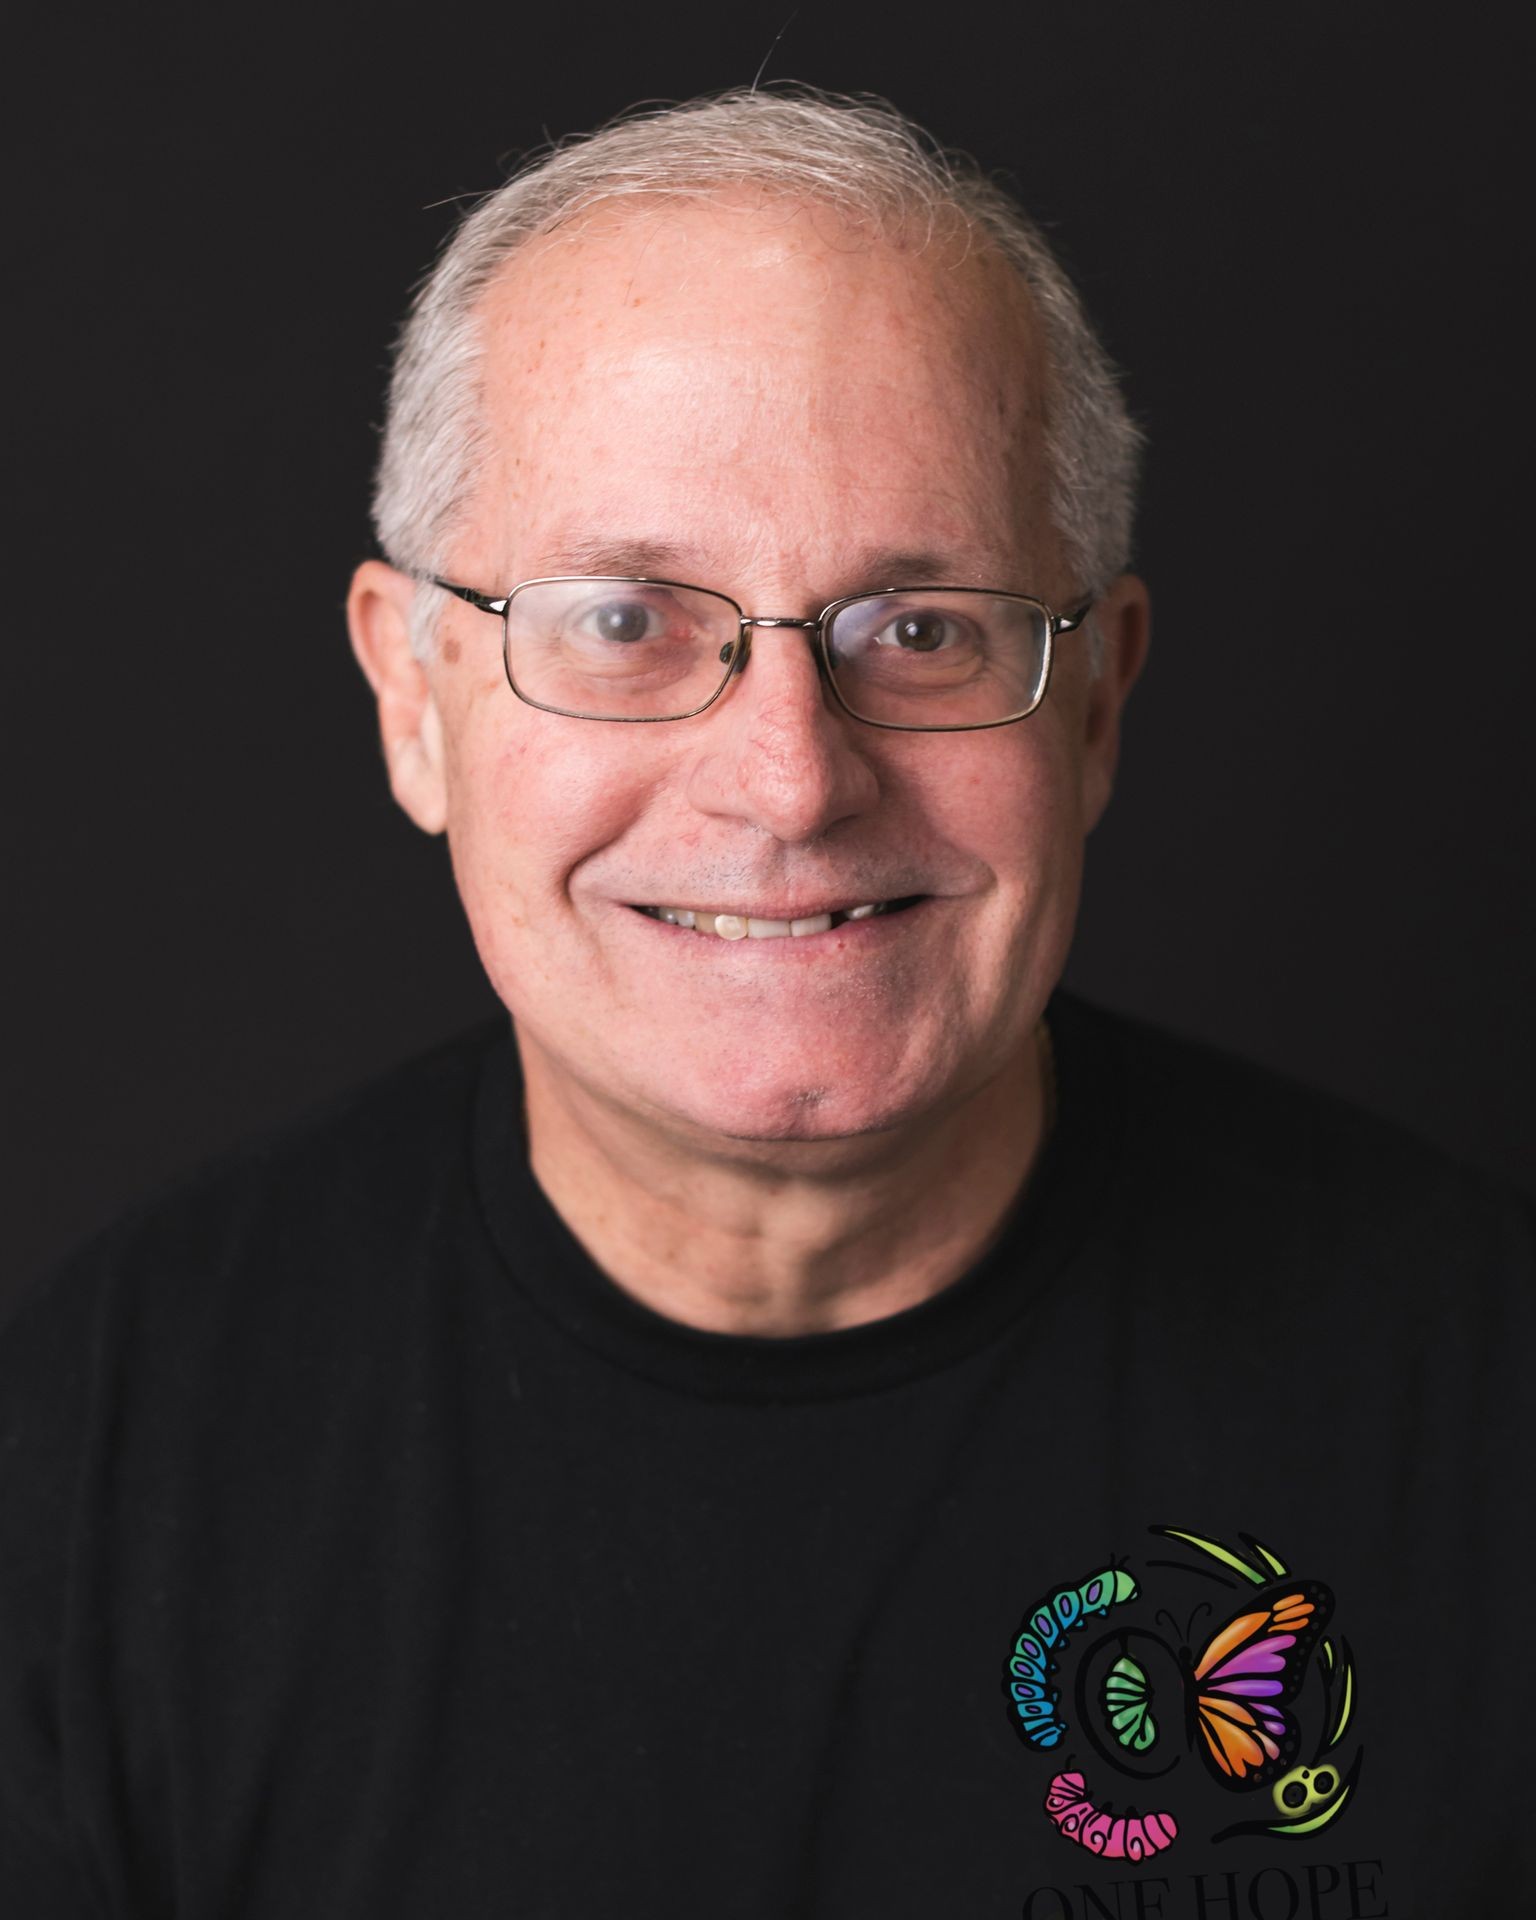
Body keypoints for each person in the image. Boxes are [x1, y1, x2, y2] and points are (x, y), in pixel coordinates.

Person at [2, 86, 1530, 1918]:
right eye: (627, 622)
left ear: (1099, 702)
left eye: (925, 627)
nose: (791, 783)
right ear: (414, 696)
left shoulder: (1490, 1411)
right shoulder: (89, 1469)